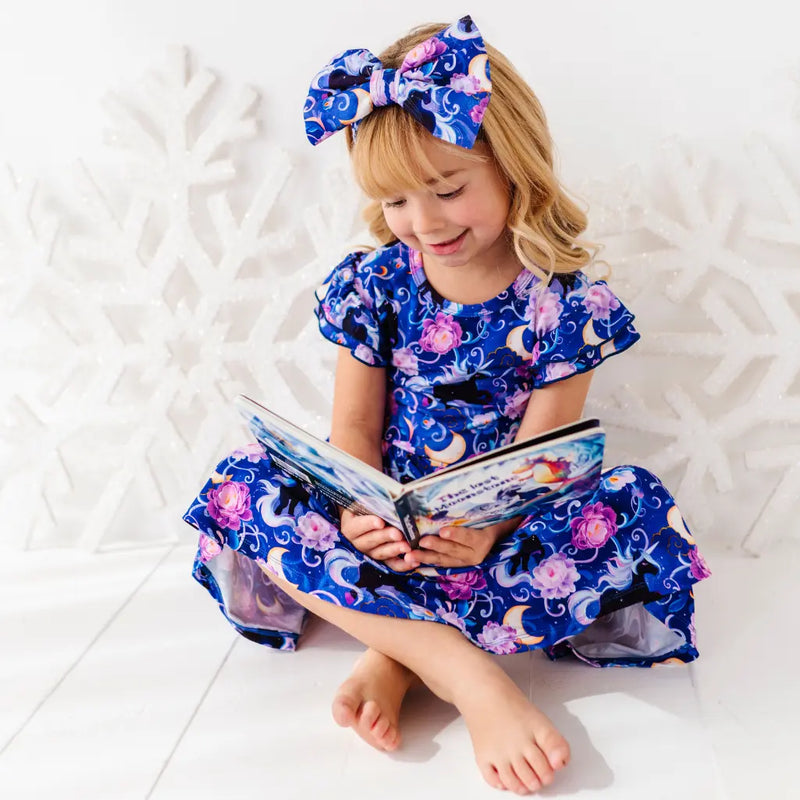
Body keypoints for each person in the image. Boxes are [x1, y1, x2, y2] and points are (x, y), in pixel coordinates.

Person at [183, 15, 711, 795]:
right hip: (385, 527)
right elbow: (353, 429)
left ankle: (391, 648)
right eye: (395, 200)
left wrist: (487, 528)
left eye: (447, 189)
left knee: (635, 508)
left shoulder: (567, 307)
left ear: (513, 167)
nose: (423, 223)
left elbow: (547, 457)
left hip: (494, 532)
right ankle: (466, 673)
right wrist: (361, 513)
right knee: (243, 483)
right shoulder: (376, 285)